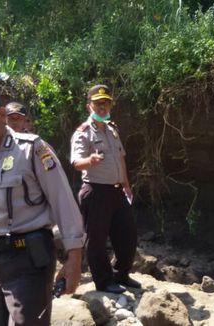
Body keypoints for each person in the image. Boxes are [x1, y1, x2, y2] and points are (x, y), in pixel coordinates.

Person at [0, 83, 85, 326]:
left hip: (30, 262)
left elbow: (63, 202)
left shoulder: (31, 149)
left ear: (1, 115)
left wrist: (74, 259)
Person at [70, 84, 139, 294]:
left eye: (106, 103)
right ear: (89, 106)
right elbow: (75, 162)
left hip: (118, 191)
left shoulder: (112, 129)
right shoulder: (83, 132)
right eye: (98, 103)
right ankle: (104, 281)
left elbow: (121, 158)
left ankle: (122, 274)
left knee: (128, 236)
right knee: (97, 240)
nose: (103, 107)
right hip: (96, 191)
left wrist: (126, 185)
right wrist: (89, 160)